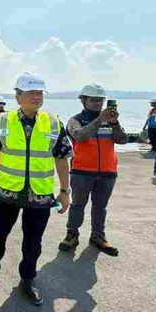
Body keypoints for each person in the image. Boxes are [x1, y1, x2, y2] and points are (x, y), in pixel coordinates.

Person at [0, 72, 72, 306]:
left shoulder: (53, 122)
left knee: (33, 241)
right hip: (8, 192)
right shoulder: (3, 121)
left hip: (40, 195)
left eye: (40, 92)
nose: (36, 96)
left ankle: (28, 278)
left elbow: (62, 158)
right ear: (18, 96)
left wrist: (65, 191)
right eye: (31, 92)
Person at [59, 84, 127, 257]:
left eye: (100, 100)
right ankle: (71, 234)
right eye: (94, 100)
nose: (98, 104)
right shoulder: (75, 120)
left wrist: (115, 123)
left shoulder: (111, 120)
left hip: (107, 171)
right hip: (82, 171)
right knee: (77, 206)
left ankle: (98, 236)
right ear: (83, 100)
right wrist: (99, 121)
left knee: (100, 207)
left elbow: (123, 140)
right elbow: (79, 135)